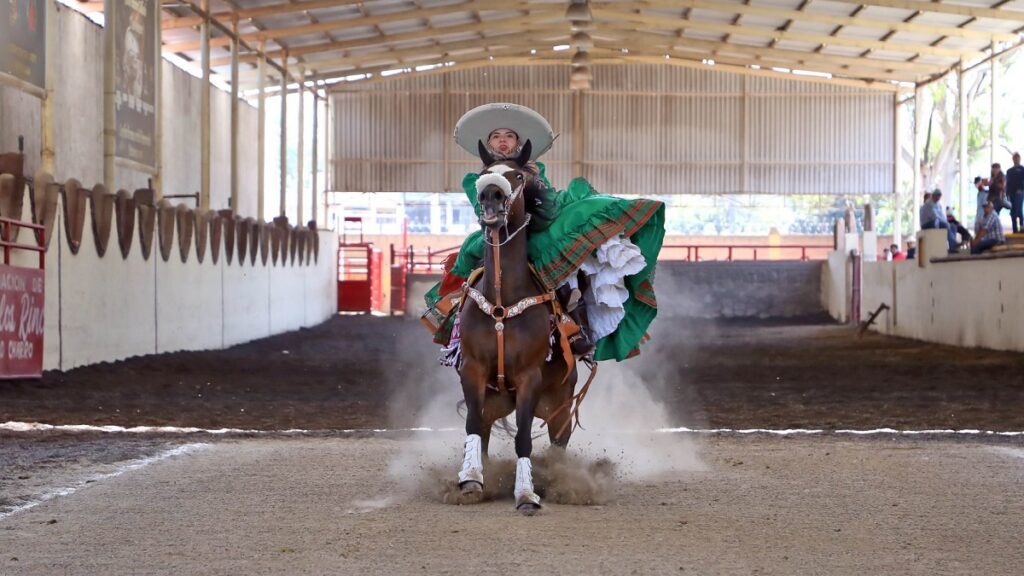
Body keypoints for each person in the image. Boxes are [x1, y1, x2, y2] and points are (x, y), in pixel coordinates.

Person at [423, 103, 665, 362]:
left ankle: (576, 325)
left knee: (570, 258)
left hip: (532, 228)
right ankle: (460, 325)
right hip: (495, 231)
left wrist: (534, 181)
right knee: (474, 258)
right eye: (496, 136)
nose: (502, 141)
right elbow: (482, 210)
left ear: (517, 142)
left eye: (509, 136)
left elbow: (546, 206)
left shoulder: (535, 171)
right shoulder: (475, 179)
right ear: (488, 143)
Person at [1007, 152, 1024, 233]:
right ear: (1012, 159)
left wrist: (1021, 189)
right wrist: (1007, 194)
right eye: (1014, 158)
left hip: (1020, 193)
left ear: (1019, 159)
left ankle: (1021, 227)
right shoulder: (1009, 171)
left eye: (1017, 158)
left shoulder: (1022, 169)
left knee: (1019, 209)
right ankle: (1015, 229)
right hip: (1011, 193)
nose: (1016, 159)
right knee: (1012, 210)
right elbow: (1008, 183)